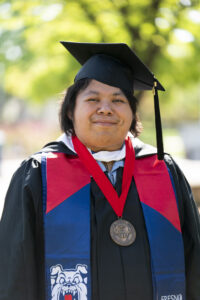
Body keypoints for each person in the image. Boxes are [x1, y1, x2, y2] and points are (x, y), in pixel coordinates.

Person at [0, 42, 200, 300]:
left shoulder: (163, 170)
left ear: (132, 113)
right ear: (70, 110)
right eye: (93, 99)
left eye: (118, 100)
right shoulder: (39, 175)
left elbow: (194, 263)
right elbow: (15, 275)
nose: (106, 108)